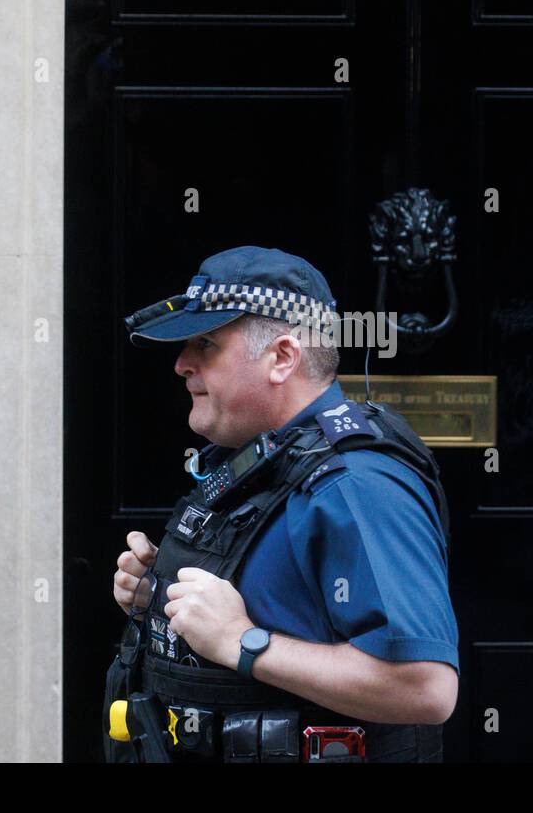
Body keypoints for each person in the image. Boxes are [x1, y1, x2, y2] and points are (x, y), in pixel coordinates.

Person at [106, 245, 459, 763]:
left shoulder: (356, 484)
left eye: (206, 343)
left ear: (282, 358)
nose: (182, 364)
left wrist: (242, 642)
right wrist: (158, 595)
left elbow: (425, 688)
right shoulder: (265, 462)